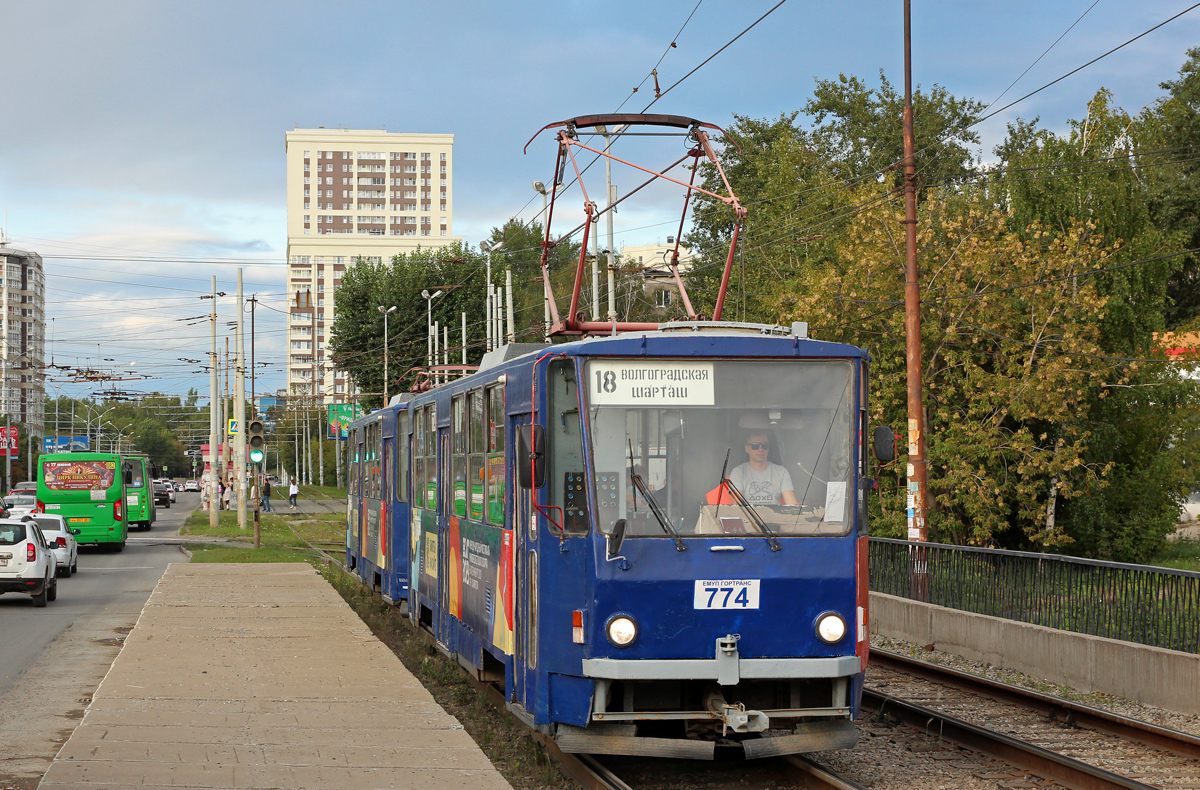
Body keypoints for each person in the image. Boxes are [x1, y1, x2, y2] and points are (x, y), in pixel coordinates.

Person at [727, 432, 799, 506]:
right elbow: (737, 506)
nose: (761, 449)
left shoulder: (781, 472)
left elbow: (792, 504)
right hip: (748, 517)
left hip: (775, 517)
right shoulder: (738, 472)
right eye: (755, 446)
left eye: (765, 445)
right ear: (747, 449)